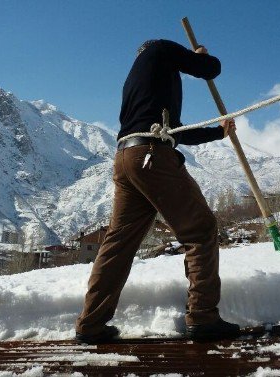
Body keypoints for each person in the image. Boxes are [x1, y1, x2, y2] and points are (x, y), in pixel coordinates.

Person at [75, 39, 239, 344]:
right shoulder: (161, 50)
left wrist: (218, 132)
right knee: (200, 230)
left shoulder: (139, 80)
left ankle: (91, 324)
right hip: (152, 155)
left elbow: (174, 129)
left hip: (127, 158)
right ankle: (203, 316)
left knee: (119, 243)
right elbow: (210, 69)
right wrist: (199, 57)